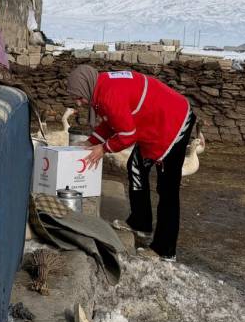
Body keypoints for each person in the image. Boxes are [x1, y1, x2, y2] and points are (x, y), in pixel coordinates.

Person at [67, 66, 195, 261]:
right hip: (153, 122)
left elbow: (126, 136)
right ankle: (140, 223)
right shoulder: (101, 86)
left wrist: (103, 148)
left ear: (87, 86)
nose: (79, 102)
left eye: (79, 97)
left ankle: (165, 250)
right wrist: (90, 142)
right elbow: (113, 122)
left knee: (167, 188)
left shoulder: (108, 95)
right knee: (136, 168)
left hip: (174, 122)